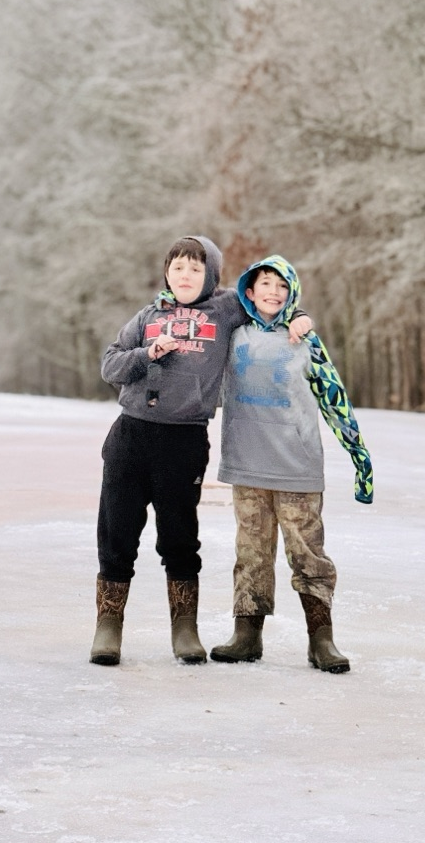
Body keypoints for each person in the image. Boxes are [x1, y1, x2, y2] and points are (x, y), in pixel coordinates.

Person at [90, 236, 311, 667]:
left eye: (195, 268)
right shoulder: (148, 316)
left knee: (179, 537)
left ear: (210, 274)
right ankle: (108, 627)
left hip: (184, 440)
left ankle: (184, 629)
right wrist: (145, 353)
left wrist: (298, 315)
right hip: (130, 437)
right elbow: (109, 364)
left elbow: (267, 300)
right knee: (117, 534)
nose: (185, 276)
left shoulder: (225, 308)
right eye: (177, 268)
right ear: (166, 274)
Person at [210, 255, 373, 673]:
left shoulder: (306, 341)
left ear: (292, 294)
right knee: (251, 553)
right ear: (249, 291)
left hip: (296, 467)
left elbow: (334, 399)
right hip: (246, 464)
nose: (273, 292)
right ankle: (247, 635)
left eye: (282, 287)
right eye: (265, 284)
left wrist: (359, 456)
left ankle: (322, 640)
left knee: (308, 554)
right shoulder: (232, 336)